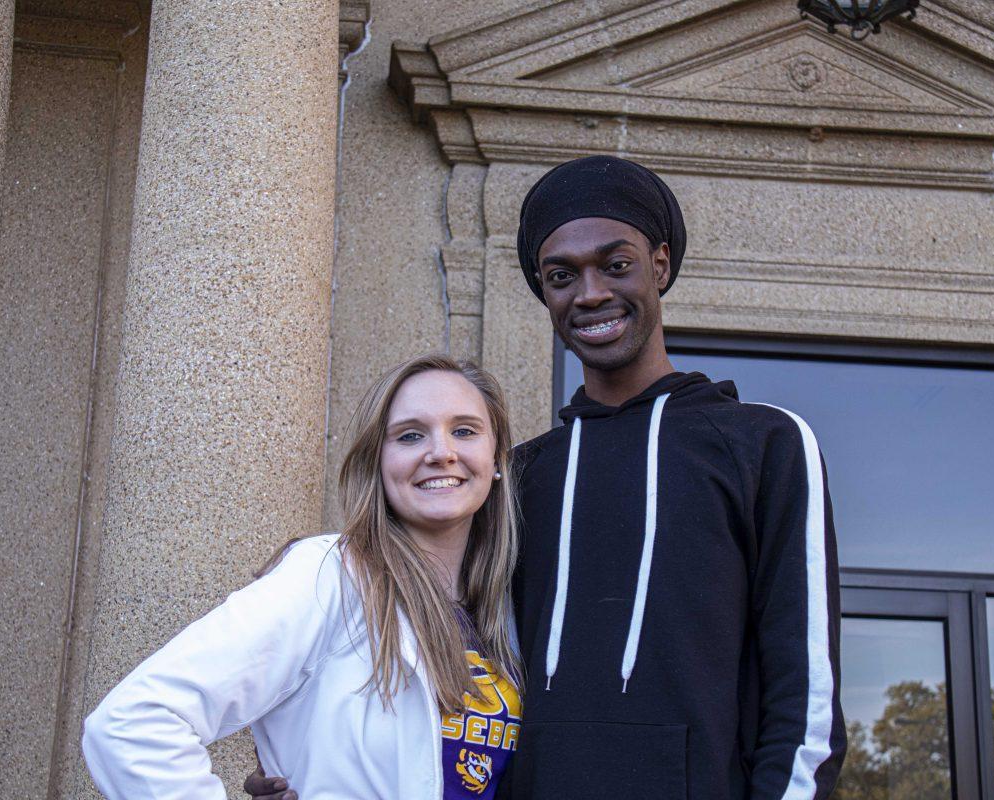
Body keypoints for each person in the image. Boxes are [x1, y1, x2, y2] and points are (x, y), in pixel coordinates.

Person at [248, 155, 846, 800]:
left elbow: (806, 691)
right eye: (562, 275)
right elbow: (442, 657)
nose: (589, 293)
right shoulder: (520, 475)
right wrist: (307, 761)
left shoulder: (763, 443)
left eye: (615, 265)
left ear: (661, 265)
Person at [82, 354, 523, 800]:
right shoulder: (329, 576)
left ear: (497, 457)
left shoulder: (510, 608)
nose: (441, 452)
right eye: (410, 436)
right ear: (377, 461)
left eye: (464, 431)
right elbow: (132, 724)